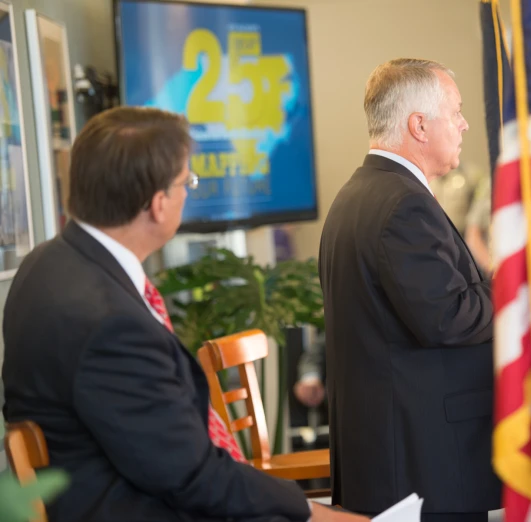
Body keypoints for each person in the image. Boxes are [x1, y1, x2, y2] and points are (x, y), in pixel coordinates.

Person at [2, 107, 367, 522]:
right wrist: (314, 513)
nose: (189, 191)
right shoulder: (110, 325)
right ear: (158, 204)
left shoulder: (46, 263)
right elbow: (194, 478)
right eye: (186, 182)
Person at [318, 59, 500, 522]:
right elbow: (449, 317)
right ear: (419, 124)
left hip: (394, 449)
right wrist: (517, 290)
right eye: (455, 111)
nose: (463, 124)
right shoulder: (403, 204)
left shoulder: (359, 193)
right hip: (420, 462)